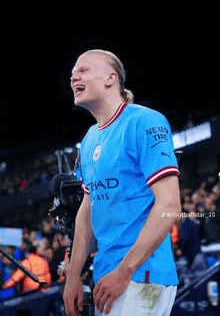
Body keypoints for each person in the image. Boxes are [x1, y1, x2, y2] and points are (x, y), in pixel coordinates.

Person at [63, 49, 181, 316]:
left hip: (141, 275)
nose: (74, 77)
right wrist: (73, 276)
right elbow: (87, 212)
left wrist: (125, 270)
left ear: (110, 77)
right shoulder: (90, 138)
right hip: (107, 278)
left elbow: (170, 204)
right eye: (72, 73)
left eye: (83, 70)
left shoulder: (145, 121)